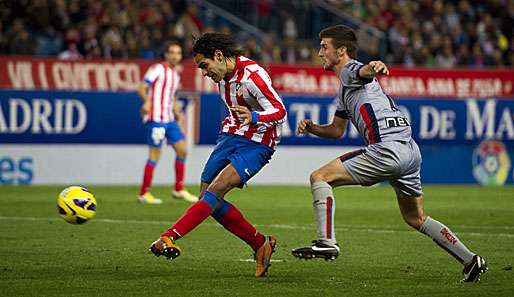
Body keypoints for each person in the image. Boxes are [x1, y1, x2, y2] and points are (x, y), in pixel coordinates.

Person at [291, 25, 487, 282]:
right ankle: (470, 260)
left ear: (341, 51)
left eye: (324, 46)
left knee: (320, 177)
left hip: (386, 149)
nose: (319, 52)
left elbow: (365, 71)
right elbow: (337, 130)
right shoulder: (344, 88)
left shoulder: (350, 70)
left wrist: (375, 66)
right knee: (416, 218)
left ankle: (327, 241)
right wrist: (313, 128)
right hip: (410, 151)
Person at [149, 33, 287, 277]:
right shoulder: (222, 73)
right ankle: (260, 244)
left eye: (205, 66)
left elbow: (280, 111)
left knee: (217, 189)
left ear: (220, 56)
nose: (204, 73)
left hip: (258, 142)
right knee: (206, 198)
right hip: (231, 134)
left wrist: (253, 117)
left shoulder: (253, 77)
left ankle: (168, 237)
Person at [137, 41, 198, 204]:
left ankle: (178, 189)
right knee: (155, 155)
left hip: (169, 119)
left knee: (182, 150)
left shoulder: (175, 74)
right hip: (156, 119)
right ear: (166, 54)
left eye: (178, 53)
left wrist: (176, 110)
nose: (175, 56)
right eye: (172, 52)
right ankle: (144, 193)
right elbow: (142, 87)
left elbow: (172, 96)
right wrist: (148, 102)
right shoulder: (158, 69)